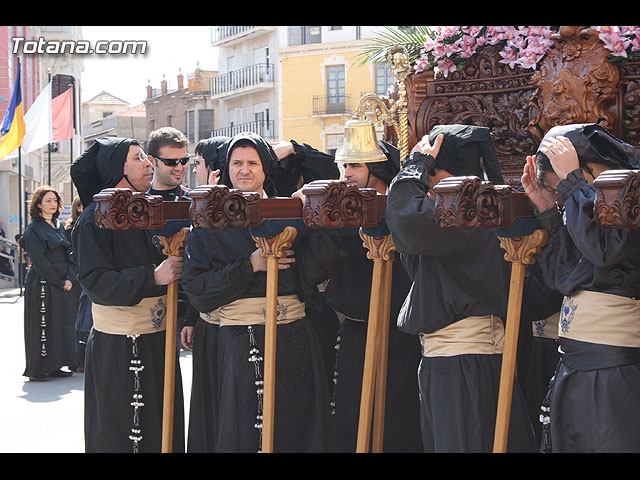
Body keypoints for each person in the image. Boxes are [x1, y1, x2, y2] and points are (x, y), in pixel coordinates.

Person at [385, 124, 537, 452]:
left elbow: (404, 215)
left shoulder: (466, 215)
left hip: (463, 364)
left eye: (433, 173)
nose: (427, 184)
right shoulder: (471, 212)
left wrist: (415, 165)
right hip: (454, 362)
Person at [181, 131, 335, 452]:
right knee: (245, 429)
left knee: (294, 424)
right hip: (240, 341)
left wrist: (313, 217)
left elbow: (320, 269)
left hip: (293, 336)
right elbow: (198, 289)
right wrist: (251, 265)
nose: (244, 170)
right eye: (237, 163)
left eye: (252, 162)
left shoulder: (289, 212)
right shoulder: (209, 220)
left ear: (266, 168)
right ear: (227, 167)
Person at [294, 140, 423, 452]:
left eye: (355, 165)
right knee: (352, 418)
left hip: (399, 336)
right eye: (345, 165)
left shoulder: (402, 209)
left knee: (396, 418)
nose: (346, 173)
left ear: (376, 167)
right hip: (356, 332)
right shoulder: (345, 213)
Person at [521, 123, 640, 452]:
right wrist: (547, 207)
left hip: (613, 370)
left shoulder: (630, 198)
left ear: (593, 168)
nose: (565, 198)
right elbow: (563, 277)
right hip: (574, 366)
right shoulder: (581, 204)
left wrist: (573, 184)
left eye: (566, 188)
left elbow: (603, 251)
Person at [70, 137, 185, 453]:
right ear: (116, 167)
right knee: (122, 432)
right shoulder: (92, 219)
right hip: (119, 347)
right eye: (138, 158)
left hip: (159, 339)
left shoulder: (148, 211)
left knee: (162, 428)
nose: (148, 164)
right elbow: (95, 282)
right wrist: (152, 277)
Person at [179, 134, 230, 453]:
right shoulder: (200, 206)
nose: (192, 169)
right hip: (209, 323)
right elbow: (195, 275)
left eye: (197, 162)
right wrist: (190, 317)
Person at [22, 186, 79, 381]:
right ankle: (39, 369)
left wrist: (70, 278)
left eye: (55, 200)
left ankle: (56, 365)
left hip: (63, 283)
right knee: (42, 325)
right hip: (43, 284)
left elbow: (69, 254)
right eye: (48, 201)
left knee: (61, 323)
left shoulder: (59, 226)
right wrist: (58, 281)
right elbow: (39, 260)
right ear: (38, 204)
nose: (53, 204)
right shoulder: (33, 229)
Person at [64, 197, 87, 373]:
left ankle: (82, 359)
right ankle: (78, 359)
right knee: (79, 319)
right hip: (77, 277)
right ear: (78, 208)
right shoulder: (72, 227)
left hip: (85, 276)